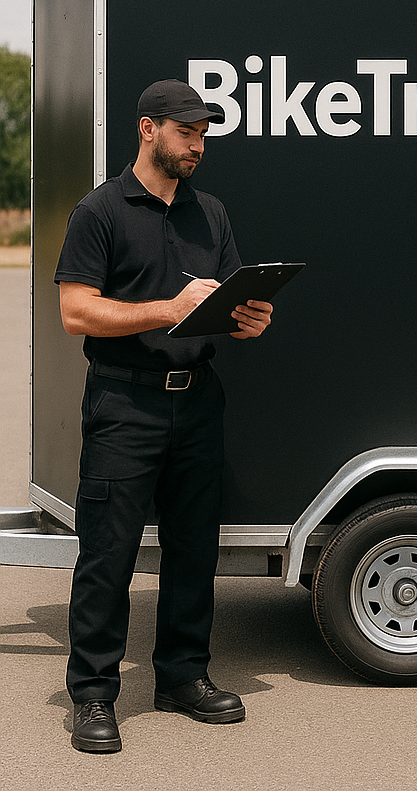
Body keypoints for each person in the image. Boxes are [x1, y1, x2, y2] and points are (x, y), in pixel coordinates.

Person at [54, 79, 274, 753]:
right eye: (187, 132)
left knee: (192, 549)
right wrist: (165, 310)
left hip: (197, 401)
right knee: (109, 552)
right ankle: (93, 694)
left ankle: (182, 677)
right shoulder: (100, 211)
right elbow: (76, 311)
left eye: (204, 134)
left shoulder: (211, 212)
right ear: (148, 129)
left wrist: (246, 319)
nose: (198, 145)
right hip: (125, 402)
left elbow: (225, 300)